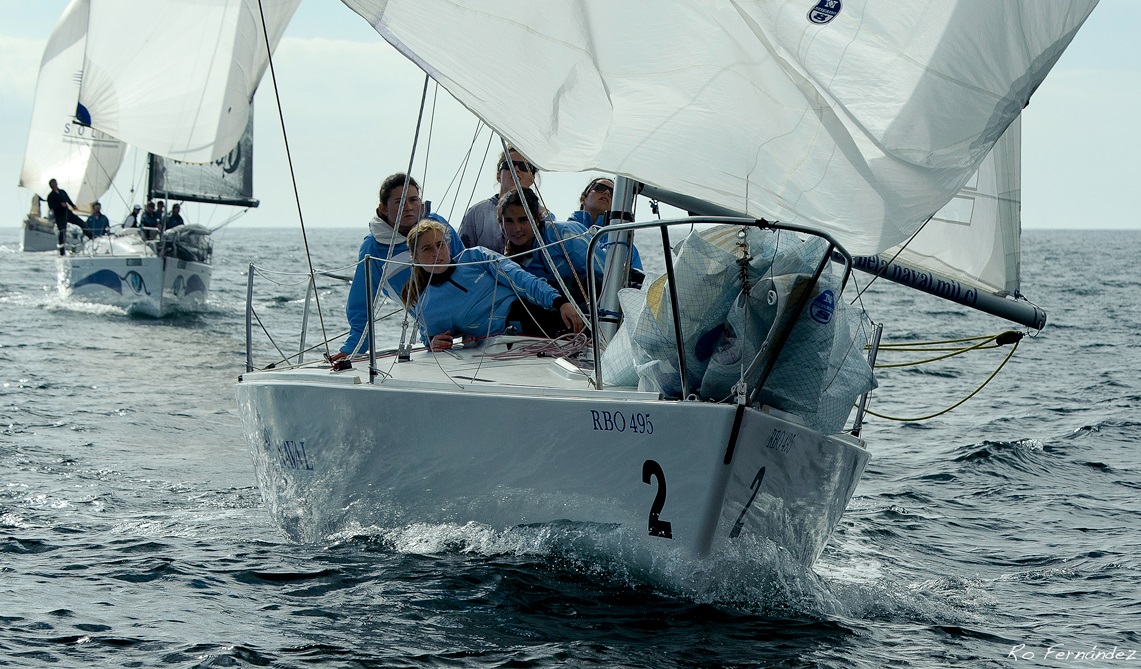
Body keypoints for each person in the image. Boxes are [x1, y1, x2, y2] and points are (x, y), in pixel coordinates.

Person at [330, 173, 465, 362]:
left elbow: (467, 265)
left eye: (413, 200)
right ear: (384, 209)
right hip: (436, 331)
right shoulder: (374, 247)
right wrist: (354, 348)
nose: (409, 208)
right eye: (400, 203)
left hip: (472, 315)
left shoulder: (438, 225)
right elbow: (362, 301)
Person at [402, 219, 583, 351]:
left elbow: (520, 278)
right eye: (427, 249)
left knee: (587, 312)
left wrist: (559, 302)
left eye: (440, 245)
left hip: (533, 307)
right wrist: (432, 342)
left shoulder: (475, 257)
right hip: (509, 337)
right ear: (414, 257)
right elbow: (428, 336)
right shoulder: (428, 306)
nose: (436, 253)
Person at [500, 187, 601, 308]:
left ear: (536, 219)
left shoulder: (563, 233)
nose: (516, 228)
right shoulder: (510, 262)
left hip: (596, 306)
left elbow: (602, 275)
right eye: (509, 221)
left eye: (523, 220)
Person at [459, 147, 542, 251]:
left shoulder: (543, 215)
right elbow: (462, 255)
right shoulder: (476, 213)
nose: (515, 169)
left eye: (524, 166)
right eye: (509, 165)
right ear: (498, 175)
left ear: (532, 179)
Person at [569, 176, 645, 289]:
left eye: (613, 192)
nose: (606, 193)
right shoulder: (564, 232)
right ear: (583, 198)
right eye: (599, 187)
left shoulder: (624, 246)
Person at [46, 178, 86, 253]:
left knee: (81, 222)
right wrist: (60, 205)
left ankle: (90, 235)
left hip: (67, 212)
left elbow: (68, 199)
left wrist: (73, 206)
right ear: (51, 186)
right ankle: (62, 249)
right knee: (62, 231)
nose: (54, 185)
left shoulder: (62, 192)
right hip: (59, 215)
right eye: (52, 184)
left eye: (55, 183)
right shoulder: (50, 196)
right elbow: (51, 206)